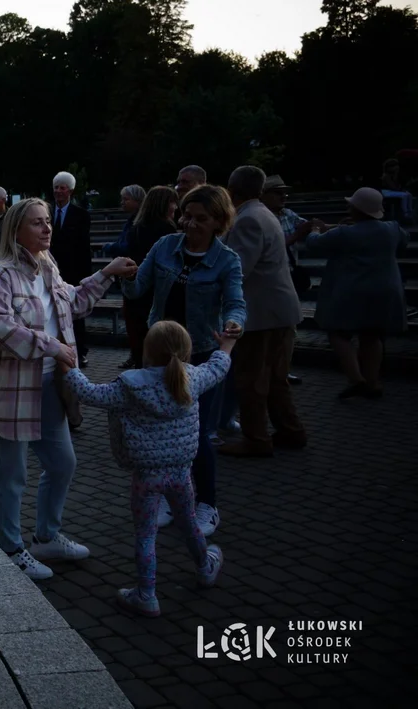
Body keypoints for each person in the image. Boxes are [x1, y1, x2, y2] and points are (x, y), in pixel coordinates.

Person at [0, 196, 136, 579]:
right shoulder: (1, 275)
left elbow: (72, 303)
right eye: (36, 223)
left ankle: (46, 535)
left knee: (63, 462)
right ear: (17, 230)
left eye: (47, 221)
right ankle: (11, 549)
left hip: (49, 384)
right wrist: (50, 346)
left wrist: (107, 273)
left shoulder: (47, 266)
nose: (46, 228)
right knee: (12, 474)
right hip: (13, 388)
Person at [65, 321, 230, 617]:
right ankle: (205, 567)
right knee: (189, 523)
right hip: (182, 474)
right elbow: (218, 368)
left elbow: (89, 393)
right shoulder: (193, 379)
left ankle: (147, 594)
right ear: (187, 352)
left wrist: (68, 366)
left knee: (145, 534)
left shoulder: (130, 386)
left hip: (145, 477)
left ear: (146, 351)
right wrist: (227, 345)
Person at [121, 184, 246, 537]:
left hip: (202, 351)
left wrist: (235, 323)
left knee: (199, 433)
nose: (190, 224)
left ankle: (206, 503)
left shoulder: (226, 260)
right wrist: (126, 276)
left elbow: (236, 301)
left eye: (200, 219)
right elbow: (137, 289)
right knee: (157, 429)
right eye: (186, 215)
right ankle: (162, 497)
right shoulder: (164, 246)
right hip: (158, 351)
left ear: (219, 221)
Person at [219, 166, 306, 458]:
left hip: (261, 313)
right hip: (279, 310)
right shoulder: (264, 214)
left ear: (232, 187)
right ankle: (290, 431)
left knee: (252, 379)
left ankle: (256, 439)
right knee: (276, 378)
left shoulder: (248, 220)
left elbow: (238, 268)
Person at [298, 187, 409, 398]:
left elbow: (314, 244)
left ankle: (355, 378)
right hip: (386, 289)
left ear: (357, 209)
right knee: (372, 335)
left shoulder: (344, 234)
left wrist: (315, 229)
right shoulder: (391, 229)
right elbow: (402, 241)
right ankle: (373, 383)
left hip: (352, 290)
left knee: (337, 332)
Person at [259, 174, 313, 387]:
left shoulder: (288, 214)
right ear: (264, 195)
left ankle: (283, 369)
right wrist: (293, 237)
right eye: (278, 193)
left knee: (288, 327)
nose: (284, 197)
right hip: (267, 280)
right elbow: (269, 249)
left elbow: (308, 226)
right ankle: (268, 369)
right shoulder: (257, 217)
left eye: (285, 193)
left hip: (287, 276)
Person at [118, 186, 180, 370]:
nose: (175, 207)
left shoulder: (136, 228)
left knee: (141, 344)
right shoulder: (167, 230)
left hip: (137, 291)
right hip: (155, 294)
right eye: (173, 203)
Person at [48, 171, 94, 367]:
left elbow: (84, 248)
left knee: (75, 314)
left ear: (71, 191)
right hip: (51, 270)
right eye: (56, 187)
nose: (58, 191)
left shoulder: (81, 215)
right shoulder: (47, 212)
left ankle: (81, 351)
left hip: (73, 271)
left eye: (62, 188)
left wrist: (85, 276)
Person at [104, 185, 146, 258]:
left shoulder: (141, 223)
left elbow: (128, 248)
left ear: (138, 201)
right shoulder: (131, 220)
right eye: (122, 199)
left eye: (126, 199)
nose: (122, 202)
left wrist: (110, 247)